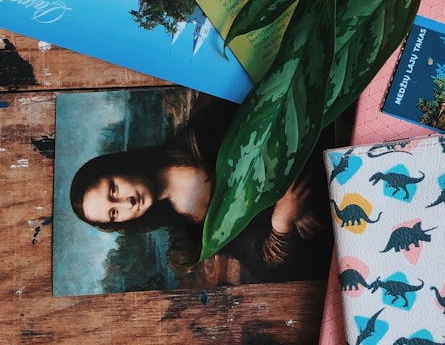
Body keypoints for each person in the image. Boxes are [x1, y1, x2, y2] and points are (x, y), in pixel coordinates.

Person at [69, 99, 328, 283]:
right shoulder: (195, 231)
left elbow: (279, 124)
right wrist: (283, 220)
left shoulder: (203, 131)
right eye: (114, 213)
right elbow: (265, 263)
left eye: (113, 189)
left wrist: (295, 186)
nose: (127, 203)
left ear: (120, 167)